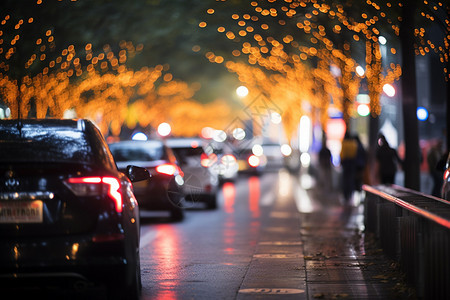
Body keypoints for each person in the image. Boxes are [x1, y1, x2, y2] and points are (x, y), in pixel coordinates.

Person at [340, 132, 358, 204]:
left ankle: (345, 195)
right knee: (351, 178)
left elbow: (342, 154)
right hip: (352, 162)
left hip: (345, 162)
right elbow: (355, 153)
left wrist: (341, 161)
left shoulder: (344, 143)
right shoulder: (353, 143)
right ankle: (350, 194)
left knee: (345, 179)